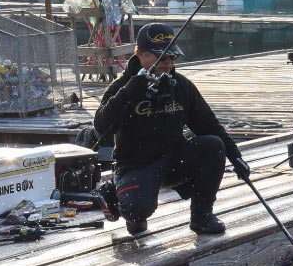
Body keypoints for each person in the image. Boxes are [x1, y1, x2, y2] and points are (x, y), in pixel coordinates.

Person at [94, 22, 250, 237]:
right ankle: (117, 195)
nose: (168, 64)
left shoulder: (182, 85)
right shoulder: (122, 87)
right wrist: (128, 92)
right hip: (136, 164)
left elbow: (208, 124)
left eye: (171, 58)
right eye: (161, 58)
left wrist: (236, 156)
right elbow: (101, 128)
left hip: (174, 159)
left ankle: (202, 217)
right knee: (137, 211)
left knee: (213, 145)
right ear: (141, 55)